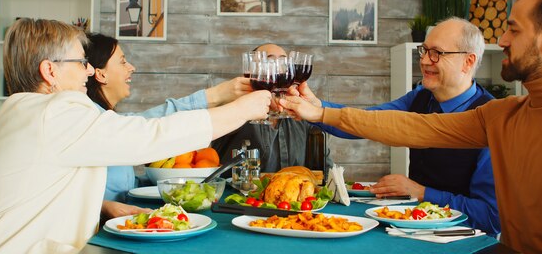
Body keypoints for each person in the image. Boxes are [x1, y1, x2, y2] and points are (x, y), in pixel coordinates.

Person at [281, 0, 542, 253]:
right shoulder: (503, 113)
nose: (501, 39)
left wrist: (421, 192)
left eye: (513, 29)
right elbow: (414, 126)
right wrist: (321, 112)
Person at [0, 19, 270, 253]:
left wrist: (100, 206)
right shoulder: (57, 110)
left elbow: (37, 187)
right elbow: (149, 136)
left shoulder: (14, 113)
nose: (89, 70)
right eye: (80, 62)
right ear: (50, 70)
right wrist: (241, 110)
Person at [295, 18, 499, 234]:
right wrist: (316, 108)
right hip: (414, 232)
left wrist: (422, 193)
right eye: (425, 50)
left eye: (437, 53)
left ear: (468, 61)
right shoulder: (420, 98)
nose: (425, 61)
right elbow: (367, 122)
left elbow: (490, 217)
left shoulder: (492, 121)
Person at [84, 33, 252, 220]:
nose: (132, 67)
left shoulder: (109, 117)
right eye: (123, 62)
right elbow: (155, 124)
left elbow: (120, 184)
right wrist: (219, 96)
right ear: (100, 74)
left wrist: (165, 177)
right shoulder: (93, 121)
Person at [211, 43, 329, 174]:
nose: (277, 68)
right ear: (253, 70)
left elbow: (325, 169)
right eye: (269, 61)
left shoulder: (302, 115)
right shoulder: (233, 108)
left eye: (283, 62)